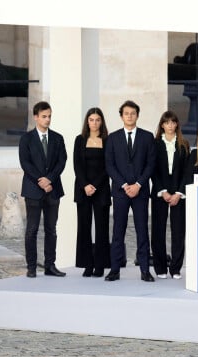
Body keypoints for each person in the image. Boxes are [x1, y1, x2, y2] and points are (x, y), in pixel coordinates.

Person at [105, 100, 156, 282]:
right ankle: (114, 270)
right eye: (126, 113)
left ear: (137, 115)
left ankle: (144, 270)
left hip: (140, 192)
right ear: (121, 116)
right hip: (120, 192)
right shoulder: (112, 138)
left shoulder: (147, 137)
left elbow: (151, 164)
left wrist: (138, 185)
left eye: (133, 113)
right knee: (118, 231)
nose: (129, 116)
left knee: (142, 230)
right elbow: (109, 165)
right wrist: (124, 185)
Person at [18, 101, 68, 278]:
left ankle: (50, 265)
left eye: (49, 116)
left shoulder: (57, 138)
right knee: (32, 229)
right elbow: (25, 163)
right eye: (44, 116)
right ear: (36, 117)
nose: (47, 120)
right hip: (33, 190)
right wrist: (40, 180)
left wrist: (49, 179)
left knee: (51, 229)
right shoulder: (26, 139)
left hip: (53, 190)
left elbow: (62, 161)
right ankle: (31, 267)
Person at [151, 111, 190, 279]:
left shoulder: (184, 144)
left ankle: (175, 268)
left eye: (173, 122)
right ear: (162, 125)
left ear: (177, 125)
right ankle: (160, 268)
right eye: (167, 123)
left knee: (178, 231)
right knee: (158, 230)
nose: (170, 126)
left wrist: (179, 193)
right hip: (160, 192)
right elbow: (152, 169)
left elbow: (187, 172)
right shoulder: (154, 144)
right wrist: (163, 191)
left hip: (178, 194)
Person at [73, 107, 111, 278]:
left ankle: (100, 265)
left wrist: (94, 185)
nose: (94, 123)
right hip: (83, 190)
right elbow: (77, 165)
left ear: (101, 121)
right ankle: (87, 264)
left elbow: (108, 167)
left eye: (97, 120)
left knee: (102, 228)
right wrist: (85, 185)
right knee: (84, 227)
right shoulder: (79, 140)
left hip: (101, 188)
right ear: (87, 122)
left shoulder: (108, 141)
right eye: (91, 119)